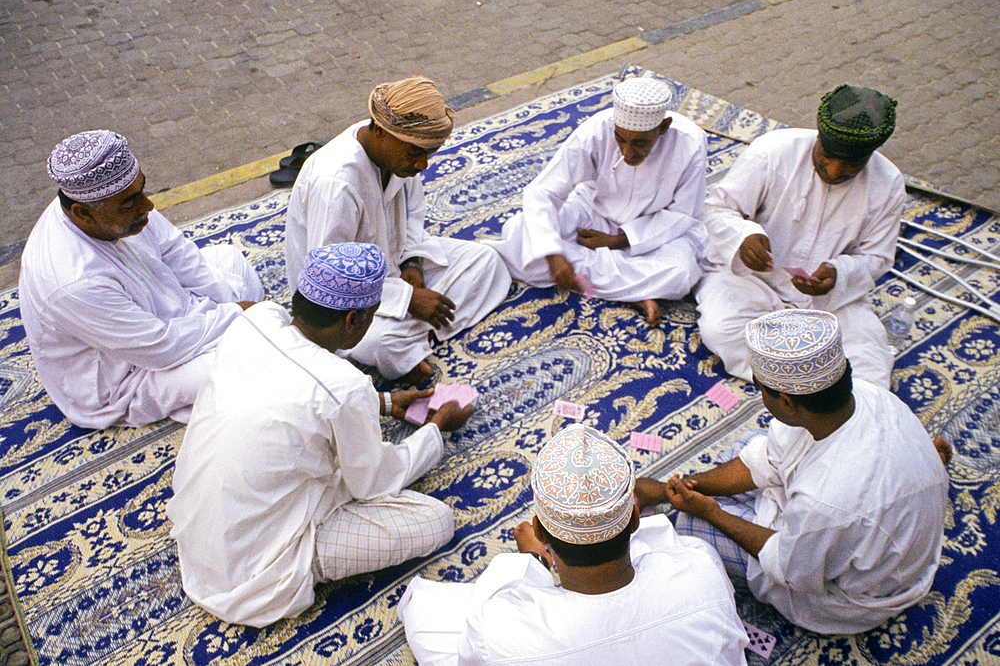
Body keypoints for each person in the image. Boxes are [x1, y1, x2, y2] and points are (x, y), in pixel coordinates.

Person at [167, 243, 474, 627]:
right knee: (435, 519)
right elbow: (372, 482)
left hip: (201, 538)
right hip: (254, 575)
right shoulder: (344, 385)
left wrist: (380, 403)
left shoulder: (255, 320)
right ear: (353, 320)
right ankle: (300, 562)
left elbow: (291, 394)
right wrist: (435, 429)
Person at [636, 309, 951, 634]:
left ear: (786, 402)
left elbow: (790, 567)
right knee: (744, 449)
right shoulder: (870, 395)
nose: (761, 398)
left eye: (762, 390)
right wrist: (668, 490)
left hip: (852, 595)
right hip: (852, 513)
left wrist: (711, 512)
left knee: (690, 527)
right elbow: (766, 459)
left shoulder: (828, 500)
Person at [399, 423, 749, 666]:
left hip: (528, 605)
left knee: (422, 604)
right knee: (665, 542)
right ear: (635, 519)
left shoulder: (497, 627)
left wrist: (532, 564)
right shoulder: (701, 568)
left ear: (538, 531)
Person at [18, 130, 263, 429]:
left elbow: (175, 249)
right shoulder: (72, 281)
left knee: (230, 259)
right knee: (252, 355)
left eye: (142, 190)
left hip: (158, 317)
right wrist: (238, 315)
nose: (148, 206)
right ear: (83, 214)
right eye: (131, 202)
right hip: (128, 375)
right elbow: (160, 347)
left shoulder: (114, 201)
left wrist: (231, 307)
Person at [284, 76, 512, 384]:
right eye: (417, 153)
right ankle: (408, 345)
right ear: (380, 131)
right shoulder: (336, 182)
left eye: (429, 153)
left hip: (394, 269)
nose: (423, 164)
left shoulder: (402, 155)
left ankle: (414, 345)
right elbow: (331, 277)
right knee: (381, 343)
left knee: (488, 262)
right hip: (345, 302)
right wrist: (408, 299)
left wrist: (412, 264)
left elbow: (413, 218)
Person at [696, 84, 906, 387]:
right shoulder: (773, 151)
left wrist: (839, 272)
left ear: (870, 155)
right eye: (828, 156)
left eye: (851, 164)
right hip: (751, 282)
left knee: (869, 366)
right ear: (818, 136)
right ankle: (813, 388)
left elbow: (878, 257)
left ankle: (809, 388)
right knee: (721, 330)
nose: (834, 170)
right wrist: (743, 235)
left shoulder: (888, 183)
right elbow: (718, 208)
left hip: (830, 301)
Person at [488, 77, 708, 327]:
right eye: (620, 139)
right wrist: (554, 256)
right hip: (592, 212)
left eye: (639, 143)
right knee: (518, 230)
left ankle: (588, 278)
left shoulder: (690, 142)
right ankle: (633, 291)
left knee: (681, 273)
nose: (626, 152)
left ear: (663, 127)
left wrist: (619, 240)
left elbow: (684, 214)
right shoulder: (596, 129)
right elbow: (542, 191)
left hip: (654, 233)